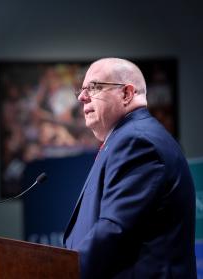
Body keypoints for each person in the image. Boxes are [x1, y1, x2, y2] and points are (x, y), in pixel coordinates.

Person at [63, 58, 196, 278]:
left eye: (94, 87)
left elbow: (114, 229)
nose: (81, 96)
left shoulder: (138, 142)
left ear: (126, 94)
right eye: (82, 89)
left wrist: (63, 271)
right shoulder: (124, 138)